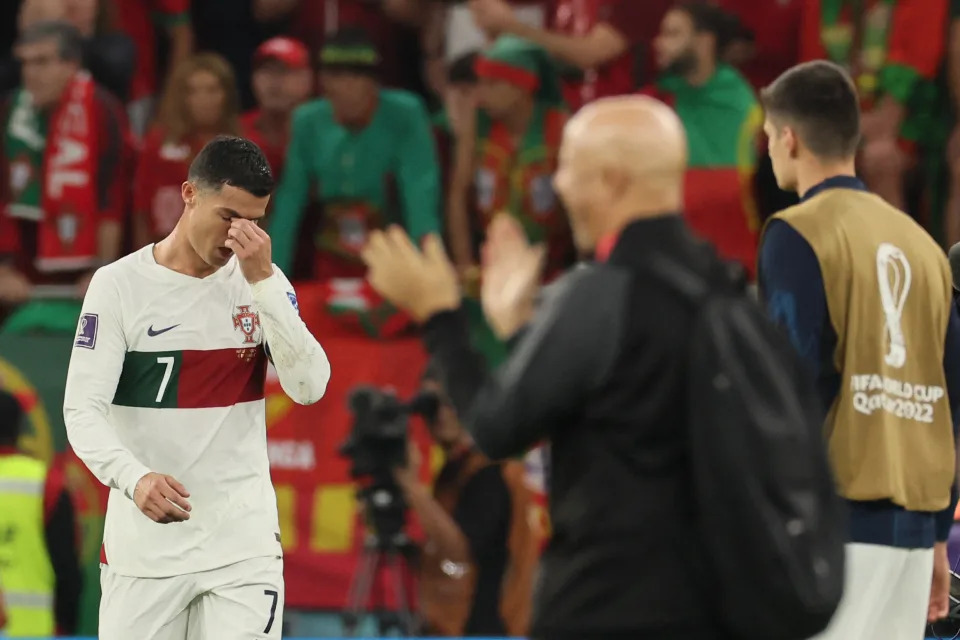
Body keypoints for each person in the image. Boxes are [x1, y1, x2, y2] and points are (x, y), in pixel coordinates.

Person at [361, 95, 735, 639]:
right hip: (700, 601)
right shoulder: (722, 290)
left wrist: (439, 314)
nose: (557, 186)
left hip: (611, 604)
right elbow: (617, 402)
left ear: (611, 180)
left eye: (569, 168)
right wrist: (521, 329)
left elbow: (494, 427)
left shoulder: (602, 292)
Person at [63, 136, 331, 640]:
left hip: (241, 548)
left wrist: (264, 284)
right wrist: (135, 479)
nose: (239, 235)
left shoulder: (263, 283)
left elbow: (310, 388)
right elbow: (82, 412)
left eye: (254, 221)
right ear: (189, 194)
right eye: (228, 216)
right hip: (145, 553)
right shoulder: (119, 287)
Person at [757, 60, 960, 638]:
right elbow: (954, 399)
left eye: (771, 138)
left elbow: (794, 383)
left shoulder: (798, 232)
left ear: (789, 138)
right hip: (915, 535)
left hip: (833, 525)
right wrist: (940, 533)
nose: (770, 151)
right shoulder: (924, 247)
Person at [269, 28, 441, 282]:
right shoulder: (308, 122)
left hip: (392, 255)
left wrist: (428, 273)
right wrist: (267, 282)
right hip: (331, 257)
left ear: (374, 84)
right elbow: (289, 204)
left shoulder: (404, 115)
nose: (347, 88)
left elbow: (420, 196)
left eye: (356, 78)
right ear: (324, 84)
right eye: (337, 79)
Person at [0, 20, 131, 322]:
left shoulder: (102, 109)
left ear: (71, 64)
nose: (31, 74)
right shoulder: (10, 111)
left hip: (81, 275)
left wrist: (101, 270)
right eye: (26, 63)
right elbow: (3, 195)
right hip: (18, 274)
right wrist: (4, 268)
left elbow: (111, 197)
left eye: (43, 62)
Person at [399, 361, 537, 637]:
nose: (440, 414)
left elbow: (459, 553)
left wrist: (410, 487)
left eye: (451, 403)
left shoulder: (493, 471)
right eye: (431, 405)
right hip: (458, 626)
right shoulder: (454, 472)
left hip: (488, 630)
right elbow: (450, 564)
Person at [644, 1, 762, 277]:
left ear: (704, 42)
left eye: (672, 34)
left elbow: (727, 193)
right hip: (676, 261)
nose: (659, 43)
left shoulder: (736, 100)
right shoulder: (660, 96)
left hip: (731, 266)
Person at [446, 35, 572, 280]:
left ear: (522, 87)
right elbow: (458, 193)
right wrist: (464, 262)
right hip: (492, 265)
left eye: (492, 85)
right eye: (480, 83)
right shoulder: (479, 124)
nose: (480, 96)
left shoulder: (560, 128)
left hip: (552, 268)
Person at [133, 52, 241, 248]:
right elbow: (141, 210)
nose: (203, 99)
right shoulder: (158, 142)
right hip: (166, 254)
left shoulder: (242, 146)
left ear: (227, 95)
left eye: (212, 90)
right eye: (192, 91)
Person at [0, 389, 82, 638]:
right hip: (33, 631)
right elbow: (67, 568)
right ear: (19, 429)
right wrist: (65, 628)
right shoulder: (47, 485)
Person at [241, 37, 313, 181]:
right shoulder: (236, 133)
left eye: (284, 71)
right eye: (266, 71)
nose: (274, 82)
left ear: (308, 79)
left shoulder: (323, 133)